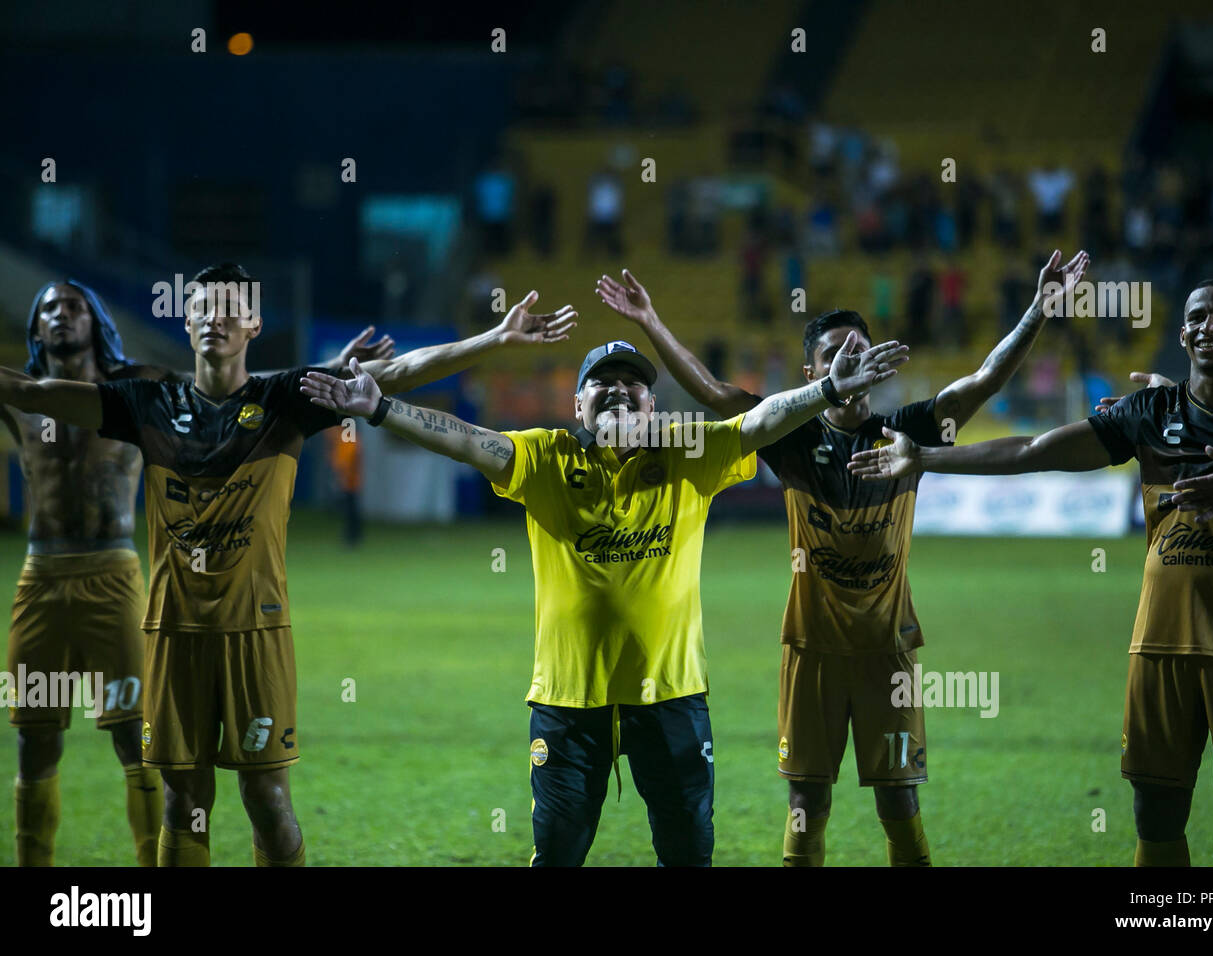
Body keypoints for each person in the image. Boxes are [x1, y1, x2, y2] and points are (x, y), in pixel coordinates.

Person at [0, 264, 574, 866]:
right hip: (173, 633)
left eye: (229, 307)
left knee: (267, 800)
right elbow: (30, 393)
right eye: (200, 306)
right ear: (186, 319)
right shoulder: (147, 402)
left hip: (256, 631)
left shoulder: (287, 399)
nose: (213, 317)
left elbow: (396, 371)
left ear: (253, 324)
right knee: (181, 798)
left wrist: (493, 340)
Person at [299, 332, 909, 866]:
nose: (619, 392)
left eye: (633, 385)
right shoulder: (545, 458)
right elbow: (465, 440)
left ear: (653, 403)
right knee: (559, 853)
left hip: (670, 697)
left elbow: (757, 422)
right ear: (577, 403)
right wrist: (381, 407)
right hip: (568, 703)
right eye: (602, 382)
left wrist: (826, 392)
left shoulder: (687, 452)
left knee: (689, 852)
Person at [595, 253, 1086, 866]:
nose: (850, 360)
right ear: (812, 371)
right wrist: (650, 321)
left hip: (889, 649)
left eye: (859, 349)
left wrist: (1038, 312)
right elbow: (715, 392)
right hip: (813, 650)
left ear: (878, 364)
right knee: (807, 802)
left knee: (900, 804)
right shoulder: (792, 437)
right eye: (834, 355)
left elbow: (981, 382)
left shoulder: (908, 434)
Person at [852, 279, 1213, 866]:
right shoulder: (1149, 413)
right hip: (1160, 643)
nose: (1209, 326)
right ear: (1182, 332)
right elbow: (1035, 450)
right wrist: (928, 458)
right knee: (1156, 811)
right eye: (1196, 317)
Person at [3, 280, 390, 867]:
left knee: (147, 745)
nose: (62, 317)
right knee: (36, 738)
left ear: (97, 321)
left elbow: (229, 380)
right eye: (50, 309)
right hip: (44, 575)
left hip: (122, 574)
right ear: (34, 326)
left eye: (75, 307)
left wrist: (325, 371)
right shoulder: (30, 397)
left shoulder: (144, 388)